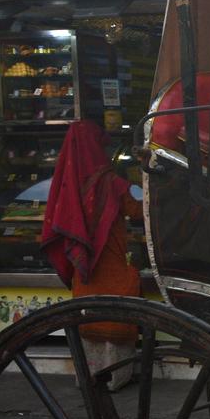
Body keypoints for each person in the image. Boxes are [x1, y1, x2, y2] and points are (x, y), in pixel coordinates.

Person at [41, 121, 142, 390]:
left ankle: (88, 376)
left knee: (88, 314)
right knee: (115, 310)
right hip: (112, 264)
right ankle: (115, 376)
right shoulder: (112, 182)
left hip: (84, 268)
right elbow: (137, 211)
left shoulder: (68, 184)